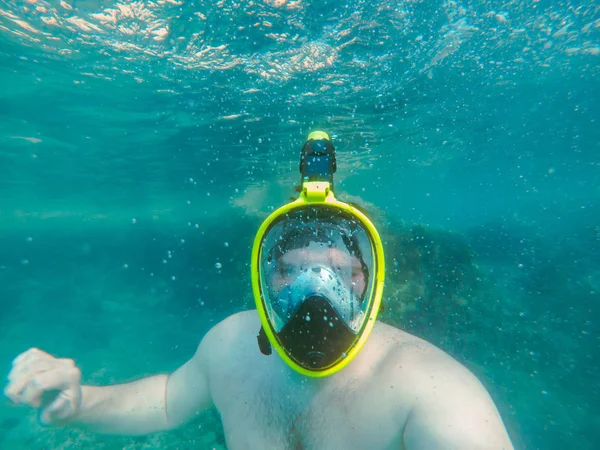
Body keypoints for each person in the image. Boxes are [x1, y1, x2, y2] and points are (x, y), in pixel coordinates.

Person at [4, 132, 514, 449]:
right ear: (265, 280)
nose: (318, 288)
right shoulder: (230, 346)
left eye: (338, 271)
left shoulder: (432, 392)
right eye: (294, 270)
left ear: (367, 282)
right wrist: (79, 403)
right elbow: (164, 402)